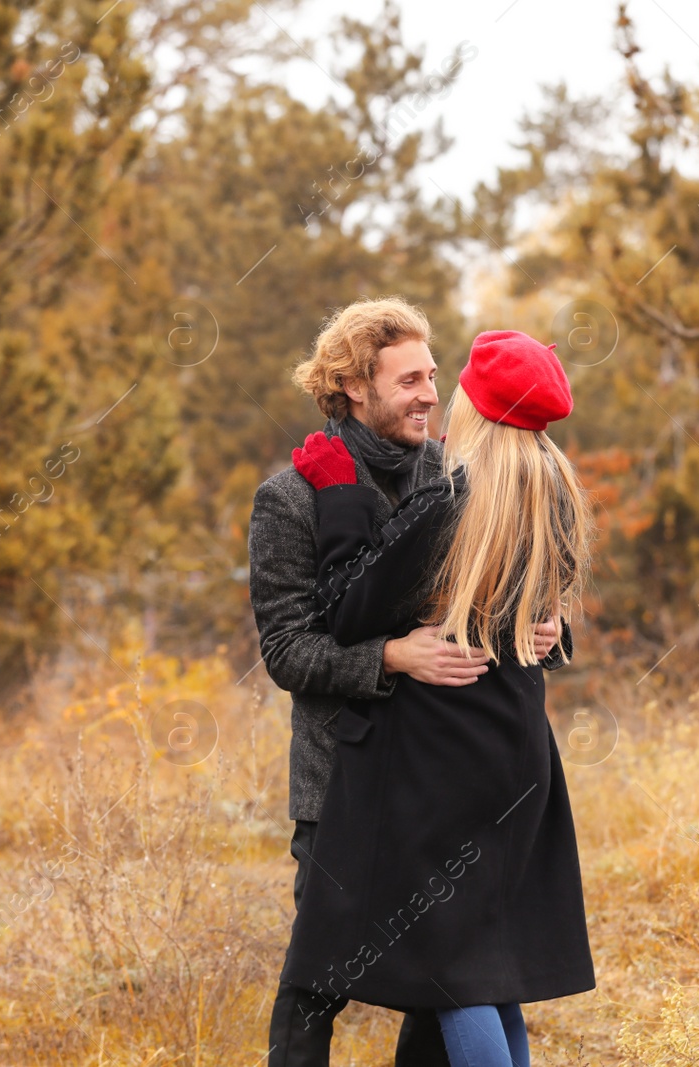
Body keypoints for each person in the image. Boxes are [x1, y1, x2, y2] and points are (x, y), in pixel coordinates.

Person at [247, 300, 570, 1067]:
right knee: (315, 984)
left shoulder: (452, 474)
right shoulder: (289, 497)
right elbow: (289, 651)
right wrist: (392, 656)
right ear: (355, 386)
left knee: (446, 982)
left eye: (434, 374)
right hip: (343, 782)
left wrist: (550, 629)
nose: (431, 392)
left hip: (442, 784)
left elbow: (506, 587)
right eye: (411, 379)